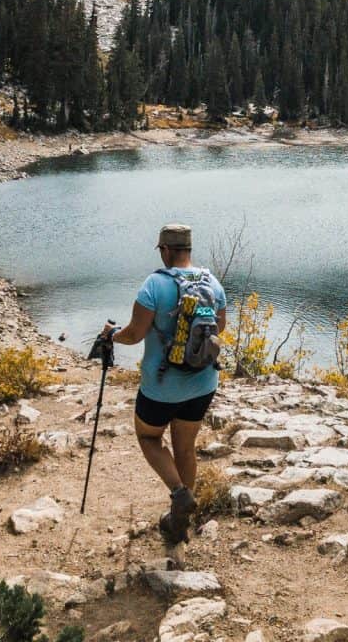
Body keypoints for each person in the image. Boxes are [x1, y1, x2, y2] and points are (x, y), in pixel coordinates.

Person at [101, 223, 226, 544]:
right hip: (202, 383)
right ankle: (179, 523)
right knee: (185, 447)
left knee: (148, 437)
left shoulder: (154, 285)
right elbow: (219, 329)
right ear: (189, 249)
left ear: (165, 251)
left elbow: (133, 334)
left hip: (160, 387)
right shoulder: (211, 282)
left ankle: (179, 493)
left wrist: (110, 336)